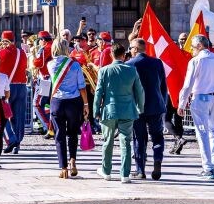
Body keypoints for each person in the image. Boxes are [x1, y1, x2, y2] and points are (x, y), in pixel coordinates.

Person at [178, 35, 214, 180]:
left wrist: (181, 103)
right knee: (213, 131)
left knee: (202, 132)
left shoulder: (196, 61)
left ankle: (208, 168)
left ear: (199, 46)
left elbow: (188, 85)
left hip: (201, 98)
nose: (191, 49)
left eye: (192, 46)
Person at [93, 43, 144, 183]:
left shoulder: (104, 70)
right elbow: (139, 91)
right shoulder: (132, 70)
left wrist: (96, 110)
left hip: (109, 110)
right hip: (127, 110)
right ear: (124, 55)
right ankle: (125, 174)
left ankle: (106, 171)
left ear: (111, 55)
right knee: (126, 142)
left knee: (107, 141)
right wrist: (140, 107)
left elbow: (98, 92)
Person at [127, 38, 168, 180]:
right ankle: (157, 162)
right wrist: (163, 103)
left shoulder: (129, 64)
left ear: (135, 49)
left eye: (131, 48)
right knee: (157, 136)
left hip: (137, 107)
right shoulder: (157, 62)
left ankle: (140, 170)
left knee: (139, 138)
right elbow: (163, 86)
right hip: (156, 105)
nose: (130, 51)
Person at [47, 39, 88, 178]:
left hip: (57, 102)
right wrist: (86, 104)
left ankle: (63, 167)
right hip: (74, 102)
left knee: (59, 135)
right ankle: (73, 160)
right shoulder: (75, 65)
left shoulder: (50, 65)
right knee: (72, 133)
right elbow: (82, 87)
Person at [32, 31, 54, 137]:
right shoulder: (54, 46)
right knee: (49, 105)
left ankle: (49, 127)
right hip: (53, 79)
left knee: (36, 104)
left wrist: (35, 57)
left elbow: (38, 63)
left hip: (45, 79)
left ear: (43, 40)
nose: (38, 43)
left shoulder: (45, 48)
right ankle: (53, 127)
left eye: (39, 40)